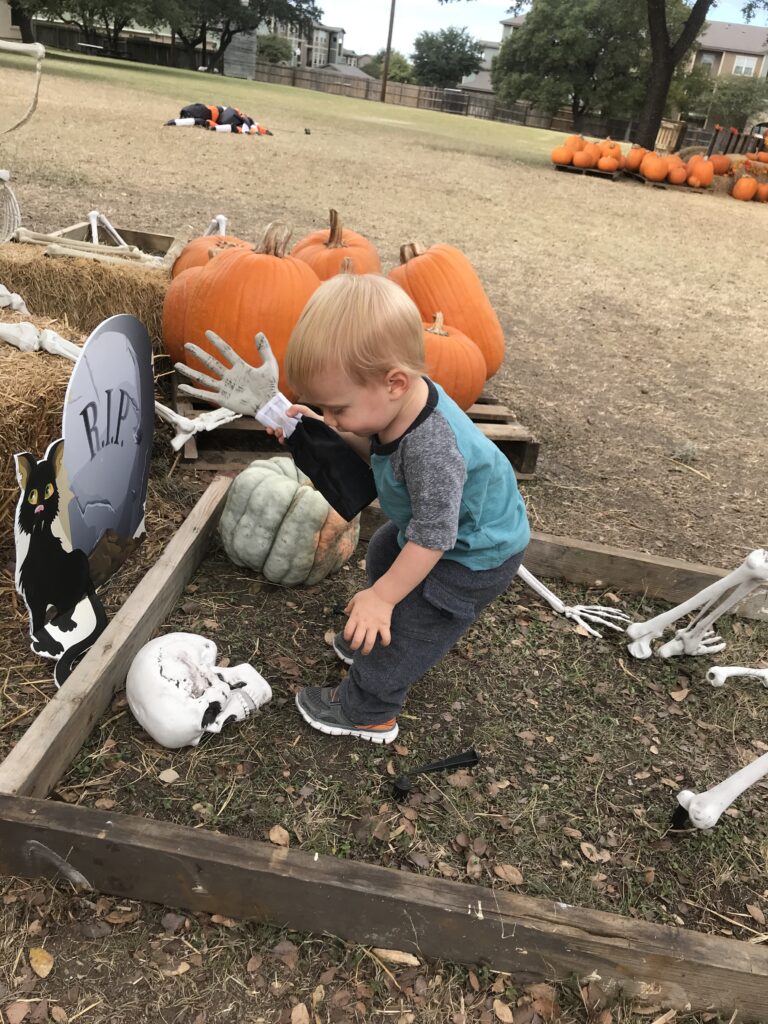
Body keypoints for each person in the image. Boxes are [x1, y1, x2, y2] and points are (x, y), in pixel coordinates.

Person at [276, 273, 530, 745]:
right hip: (438, 531)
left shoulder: (431, 449)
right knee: (384, 551)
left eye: (336, 409)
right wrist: (324, 426)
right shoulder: (394, 402)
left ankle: (369, 711)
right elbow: (369, 437)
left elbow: (435, 538)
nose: (331, 418)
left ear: (393, 383)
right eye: (324, 409)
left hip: (475, 555)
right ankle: (369, 634)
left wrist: (385, 599)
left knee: (413, 620)